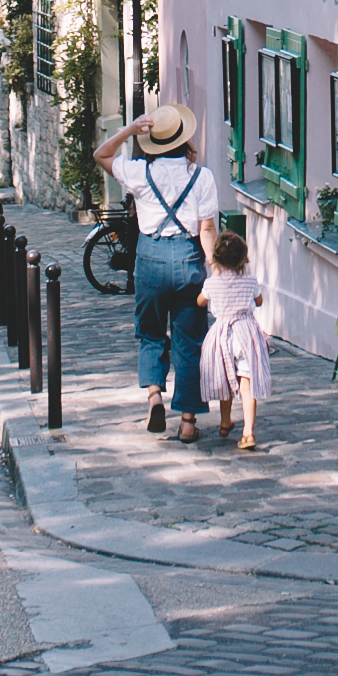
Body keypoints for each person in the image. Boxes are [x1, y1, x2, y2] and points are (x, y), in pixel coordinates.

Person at [95, 97, 218, 442]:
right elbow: (206, 229)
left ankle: (154, 397)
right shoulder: (202, 177)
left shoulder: (139, 172)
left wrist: (129, 130)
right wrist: (216, 270)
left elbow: (101, 155)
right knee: (190, 341)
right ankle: (189, 422)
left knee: (150, 334)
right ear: (184, 139)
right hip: (188, 258)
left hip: (150, 259)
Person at [198, 229, 273, 452]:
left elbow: (200, 302)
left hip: (221, 335)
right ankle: (248, 432)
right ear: (243, 258)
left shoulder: (212, 283)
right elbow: (258, 301)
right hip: (245, 333)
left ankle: (224, 421)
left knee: (224, 378)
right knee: (246, 383)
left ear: (217, 259)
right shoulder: (250, 281)